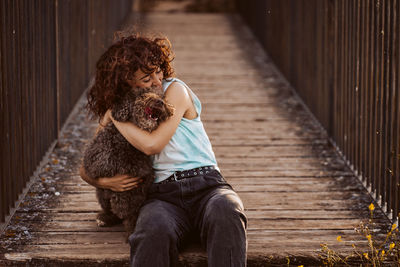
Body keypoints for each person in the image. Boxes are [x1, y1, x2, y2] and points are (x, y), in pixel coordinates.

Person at [79, 33, 247, 267]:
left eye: (158, 71)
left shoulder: (174, 91)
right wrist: (107, 184)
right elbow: (85, 169)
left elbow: (152, 144)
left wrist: (116, 118)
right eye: (147, 78)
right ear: (126, 82)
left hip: (207, 187)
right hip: (161, 197)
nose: (157, 81)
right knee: (150, 229)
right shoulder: (123, 108)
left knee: (227, 209)